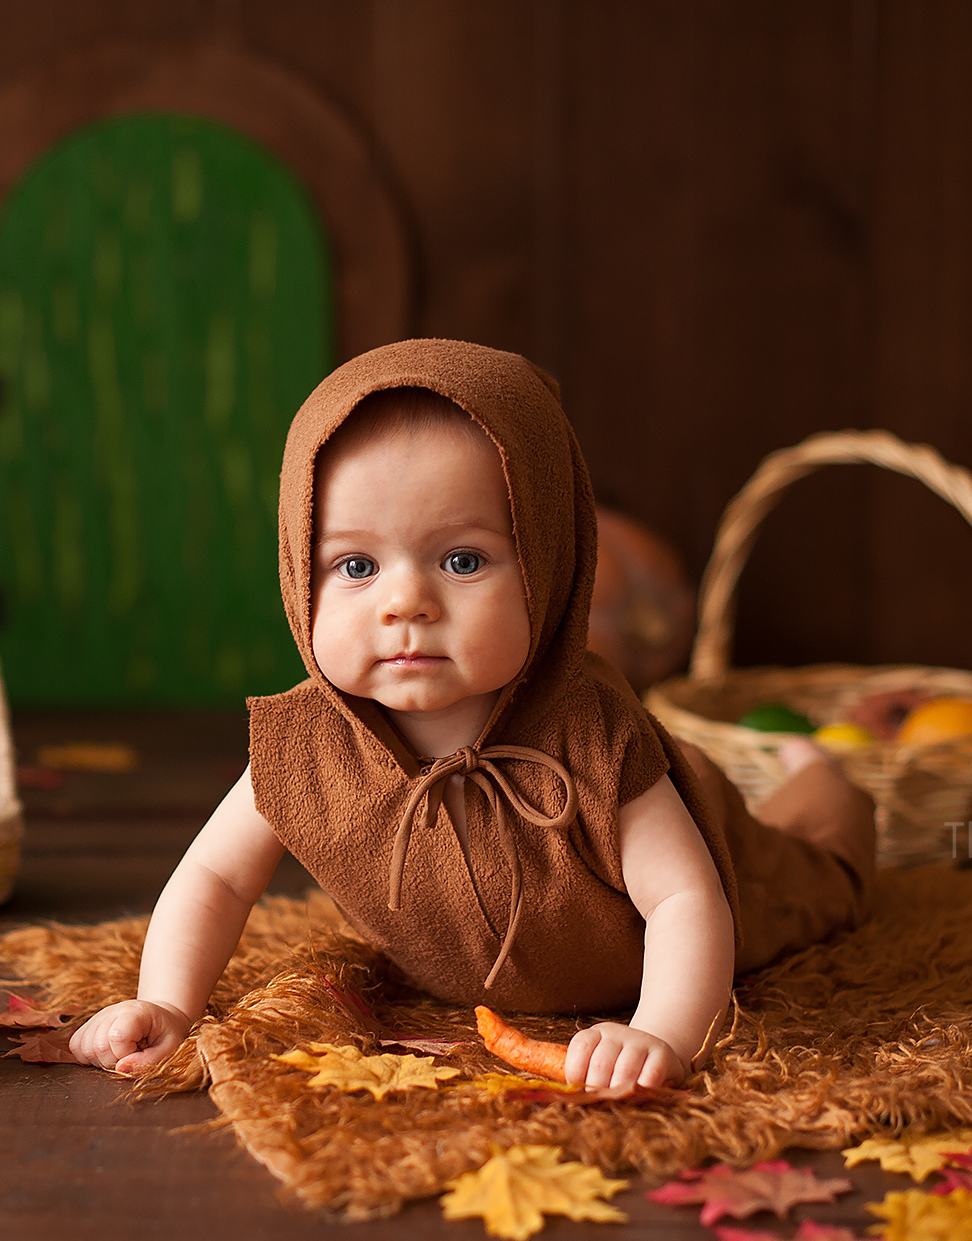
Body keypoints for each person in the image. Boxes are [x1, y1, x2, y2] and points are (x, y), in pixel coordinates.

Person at [70, 339, 875, 1089]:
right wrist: (168, 1003)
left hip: (720, 873)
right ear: (297, 570)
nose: (405, 602)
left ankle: (822, 775)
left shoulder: (592, 733)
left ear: (548, 564)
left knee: (816, 871)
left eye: (462, 560)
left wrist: (658, 1030)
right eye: (355, 564)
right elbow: (213, 875)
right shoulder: (307, 743)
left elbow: (684, 900)